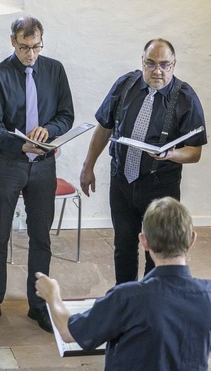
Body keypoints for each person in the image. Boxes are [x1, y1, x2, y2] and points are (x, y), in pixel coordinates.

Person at [35, 197, 211, 371]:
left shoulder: (127, 297)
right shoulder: (208, 295)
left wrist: (53, 295)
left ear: (143, 241)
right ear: (192, 239)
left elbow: (69, 332)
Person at [0, 16, 74, 333]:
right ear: (13, 42)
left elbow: (66, 115)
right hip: (8, 162)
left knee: (40, 237)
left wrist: (49, 131)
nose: (31, 54)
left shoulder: (54, 70)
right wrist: (22, 145)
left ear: (42, 42)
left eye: (36, 47)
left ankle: (38, 305)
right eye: (24, 47)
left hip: (43, 165)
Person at [80, 38, 206, 285]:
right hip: (122, 181)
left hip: (160, 187)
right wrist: (88, 166)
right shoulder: (125, 85)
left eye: (164, 65)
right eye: (150, 64)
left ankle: (151, 303)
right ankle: (125, 299)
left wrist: (170, 154)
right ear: (142, 62)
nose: (157, 71)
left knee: (156, 250)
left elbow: (195, 151)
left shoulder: (185, 97)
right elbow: (104, 128)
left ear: (174, 64)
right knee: (123, 246)